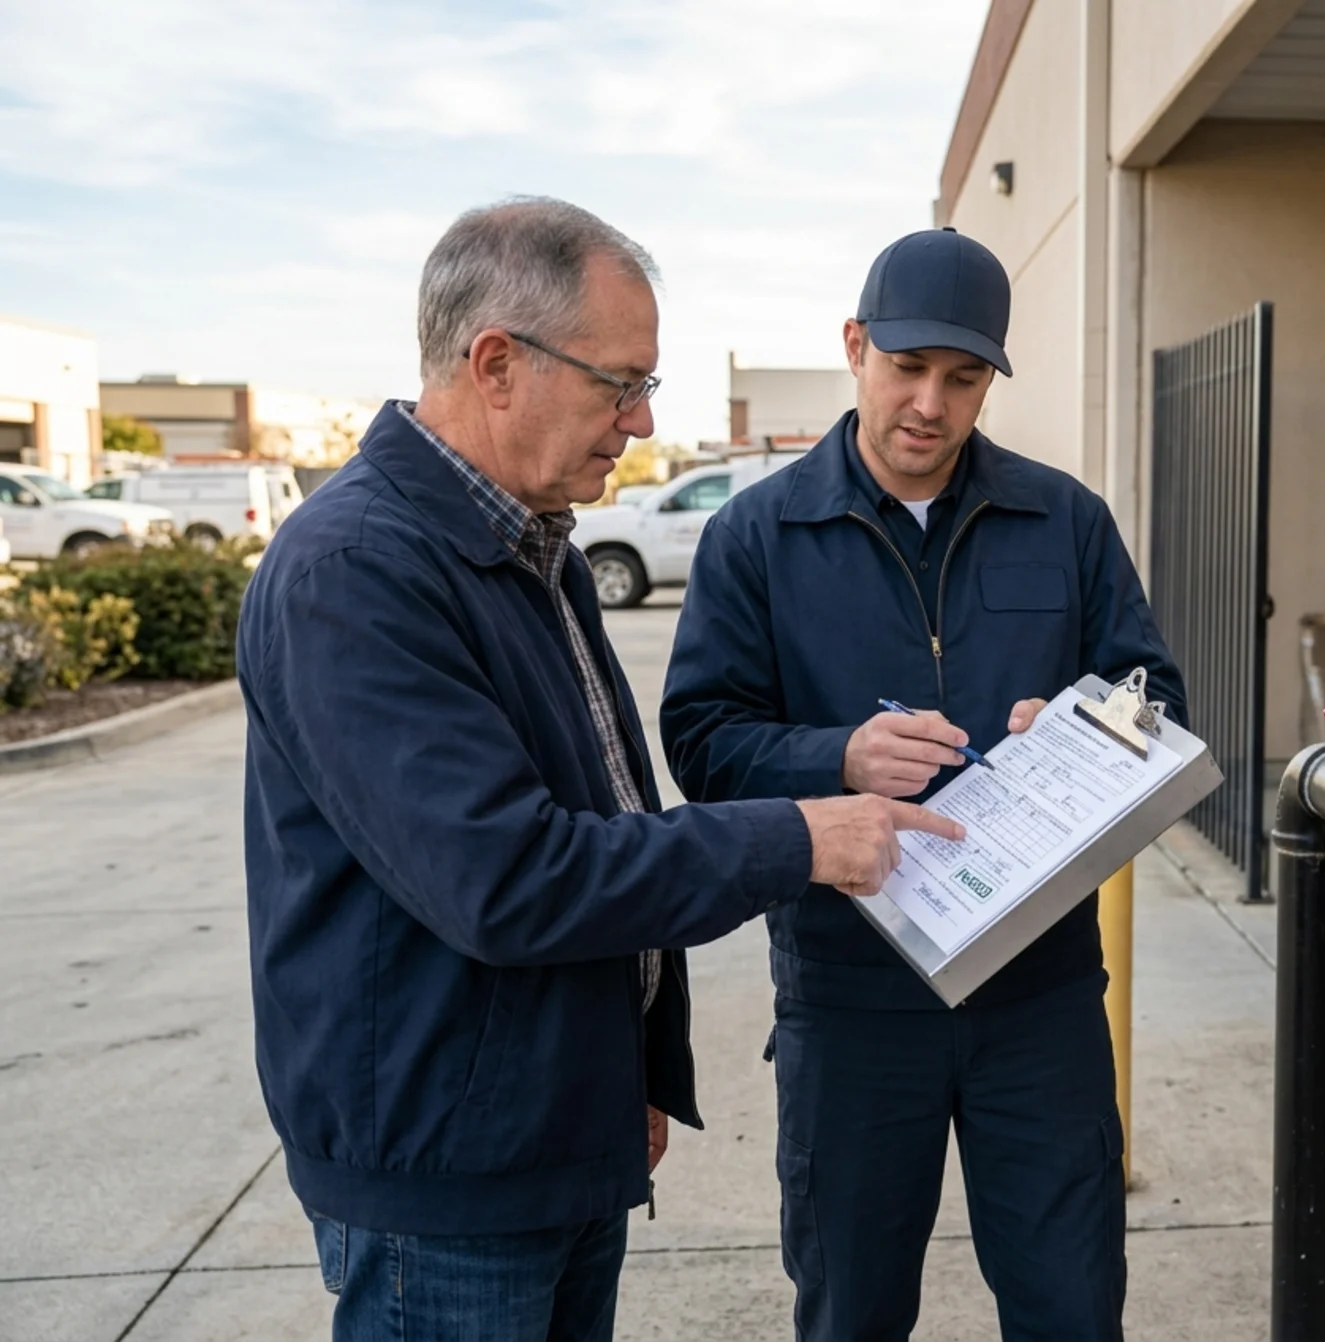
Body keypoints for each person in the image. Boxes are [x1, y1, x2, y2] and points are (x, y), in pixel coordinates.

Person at [237, 197, 960, 1342]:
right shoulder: (357, 570)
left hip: (549, 1128)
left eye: (647, 387)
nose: (633, 421)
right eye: (616, 383)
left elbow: (605, 815)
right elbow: (507, 874)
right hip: (448, 1175)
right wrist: (800, 835)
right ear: (496, 364)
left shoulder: (532, 548)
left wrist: (626, 1067)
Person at [661, 227, 1188, 1341]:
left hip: (1037, 993)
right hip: (852, 995)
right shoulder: (757, 536)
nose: (930, 404)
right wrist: (832, 757)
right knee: (852, 1311)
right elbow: (703, 741)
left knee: (1071, 1306)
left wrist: (1094, 726)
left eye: (962, 378)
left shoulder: (1066, 522)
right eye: (906, 368)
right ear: (854, 348)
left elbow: (1159, 699)